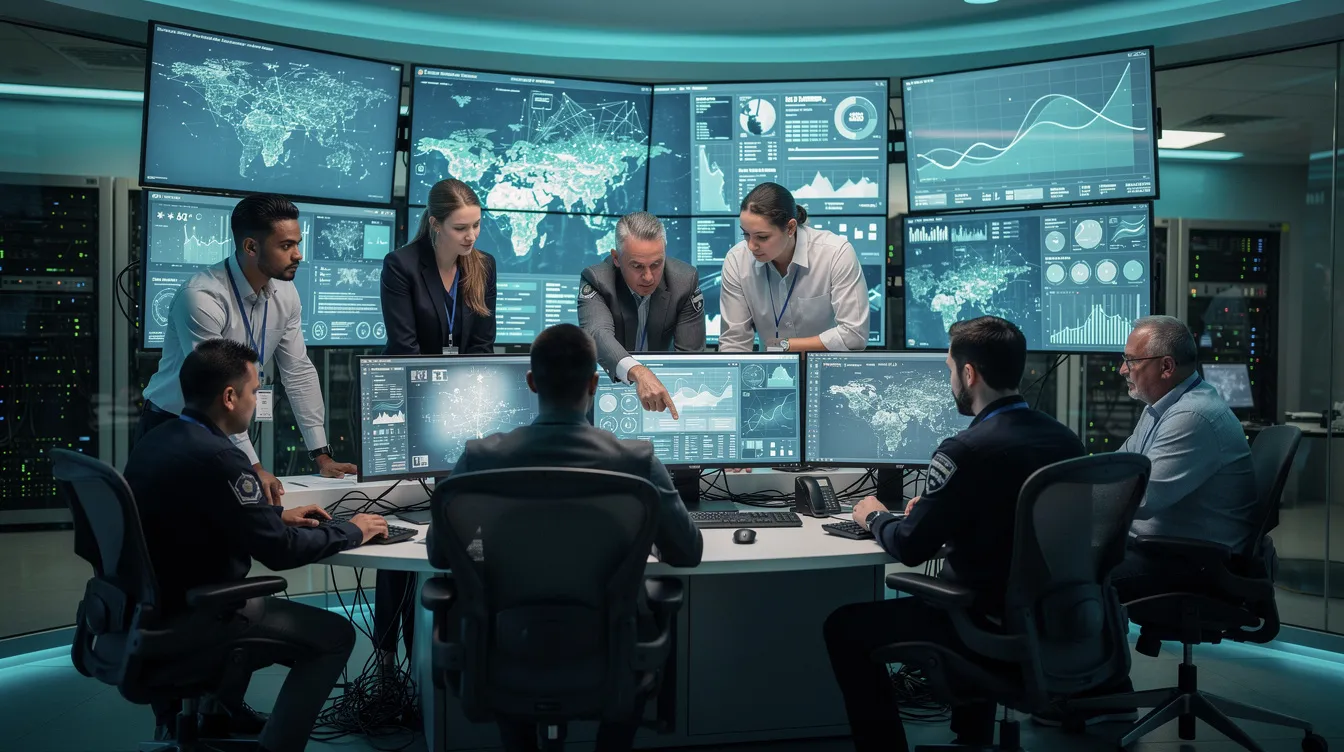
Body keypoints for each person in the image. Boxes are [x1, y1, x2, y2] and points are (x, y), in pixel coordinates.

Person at [429, 323, 703, 752]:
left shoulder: (480, 457)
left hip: (505, 646)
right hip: (610, 649)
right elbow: (687, 552)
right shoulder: (637, 461)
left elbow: (439, 553)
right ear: (594, 384)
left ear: (531, 382)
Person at [823, 316, 1085, 752]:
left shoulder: (966, 449)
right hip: (1058, 618)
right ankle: (972, 737)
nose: (950, 382)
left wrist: (873, 517)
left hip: (982, 621)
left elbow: (910, 547)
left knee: (844, 627)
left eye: (949, 370)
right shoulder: (1065, 441)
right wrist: (937, 512)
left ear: (969, 373)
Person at [123, 339, 389, 752]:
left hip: (148, 606)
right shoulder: (221, 459)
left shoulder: (158, 440)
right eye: (255, 390)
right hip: (199, 614)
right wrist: (354, 530)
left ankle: (218, 717)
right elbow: (281, 552)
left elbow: (193, 511)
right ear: (229, 398)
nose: (258, 400)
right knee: (335, 636)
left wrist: (275, 515)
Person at [1033, 315, 1259, 727]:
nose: (1123, 369)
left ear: (1166, 366)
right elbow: (1118, 470)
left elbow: (1138, 497)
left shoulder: (1194, 417)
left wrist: (1052, 502)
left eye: (1131, 361)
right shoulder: (1162, 410)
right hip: (1165, 548)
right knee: (1069, 560)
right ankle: (1094, 688)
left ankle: (1103, 695)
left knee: (1069, 575)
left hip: (1195, 562)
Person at [138, 193, 358, 506]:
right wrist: (254, 467)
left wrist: (321, 454)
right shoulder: (201, 298)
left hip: (228, 421)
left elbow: (298, 371)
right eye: (286, 246)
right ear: (251, 247)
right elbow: (216, 394)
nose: (298, 255)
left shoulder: (286, 293)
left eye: (297, 243)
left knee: (230, 525)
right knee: (179, 527)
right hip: (174, 426)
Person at [577, 210, 705, 415]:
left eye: (656, 264)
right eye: (637, 266)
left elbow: (690, 360)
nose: (648, 277)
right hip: (607, 392)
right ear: (616, 258)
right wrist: (638, 371)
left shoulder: (684, 281)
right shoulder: (597, 279)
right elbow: (597, 334)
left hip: (663, 392)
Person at [718, 182, 869, 353]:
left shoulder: (835, 253)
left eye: (762, 237)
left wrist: (784, 346)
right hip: (770, 368)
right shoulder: (737, 260)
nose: (751, 246)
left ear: (790, 228)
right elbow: (734, 342)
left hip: (827, 366)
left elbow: (855, 334)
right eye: (746, 234)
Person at [381, 178, 497, 356]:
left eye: (476, 225)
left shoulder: (484, 266)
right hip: (412, 369)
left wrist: (468, 374)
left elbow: (482, 345)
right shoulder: (400, 265)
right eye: (460, 228)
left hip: (466, 372)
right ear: (435, 224)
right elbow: (405, 348)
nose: (471, 236)